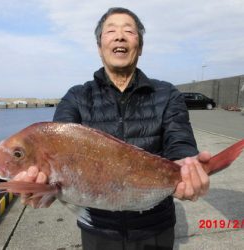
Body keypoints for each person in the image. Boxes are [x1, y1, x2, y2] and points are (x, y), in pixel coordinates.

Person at [14, 7, 210, 250]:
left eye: (129, 31)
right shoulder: (76, 97)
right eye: (111, 31)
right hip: (98, 230)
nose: (120, 36)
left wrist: (187, 168)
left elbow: (179, 142)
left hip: (155, 226)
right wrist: (40, 188)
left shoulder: (167, 94)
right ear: (99, 47)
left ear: (140, 46)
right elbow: (53, 143)